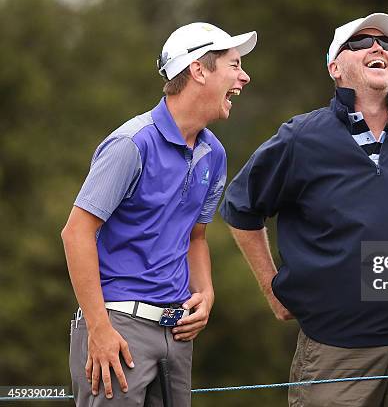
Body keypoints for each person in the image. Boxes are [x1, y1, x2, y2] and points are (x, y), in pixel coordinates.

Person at [221, 13, 388, 407]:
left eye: (386, 45)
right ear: (335, 67)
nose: (378, 49)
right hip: (335, 349)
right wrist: (273, 291)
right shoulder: (300, 138)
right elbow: (241, 209)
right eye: (360, 43)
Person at [61, 22, 256, 406]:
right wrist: (99, 330)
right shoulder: (131, 144)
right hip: (116, 328)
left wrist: (206, 292)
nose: (244, 76)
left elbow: (195, 236)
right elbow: (75, 233)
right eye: (234, 65)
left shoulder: (214, 153)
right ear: (199, 70)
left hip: (177, 333)